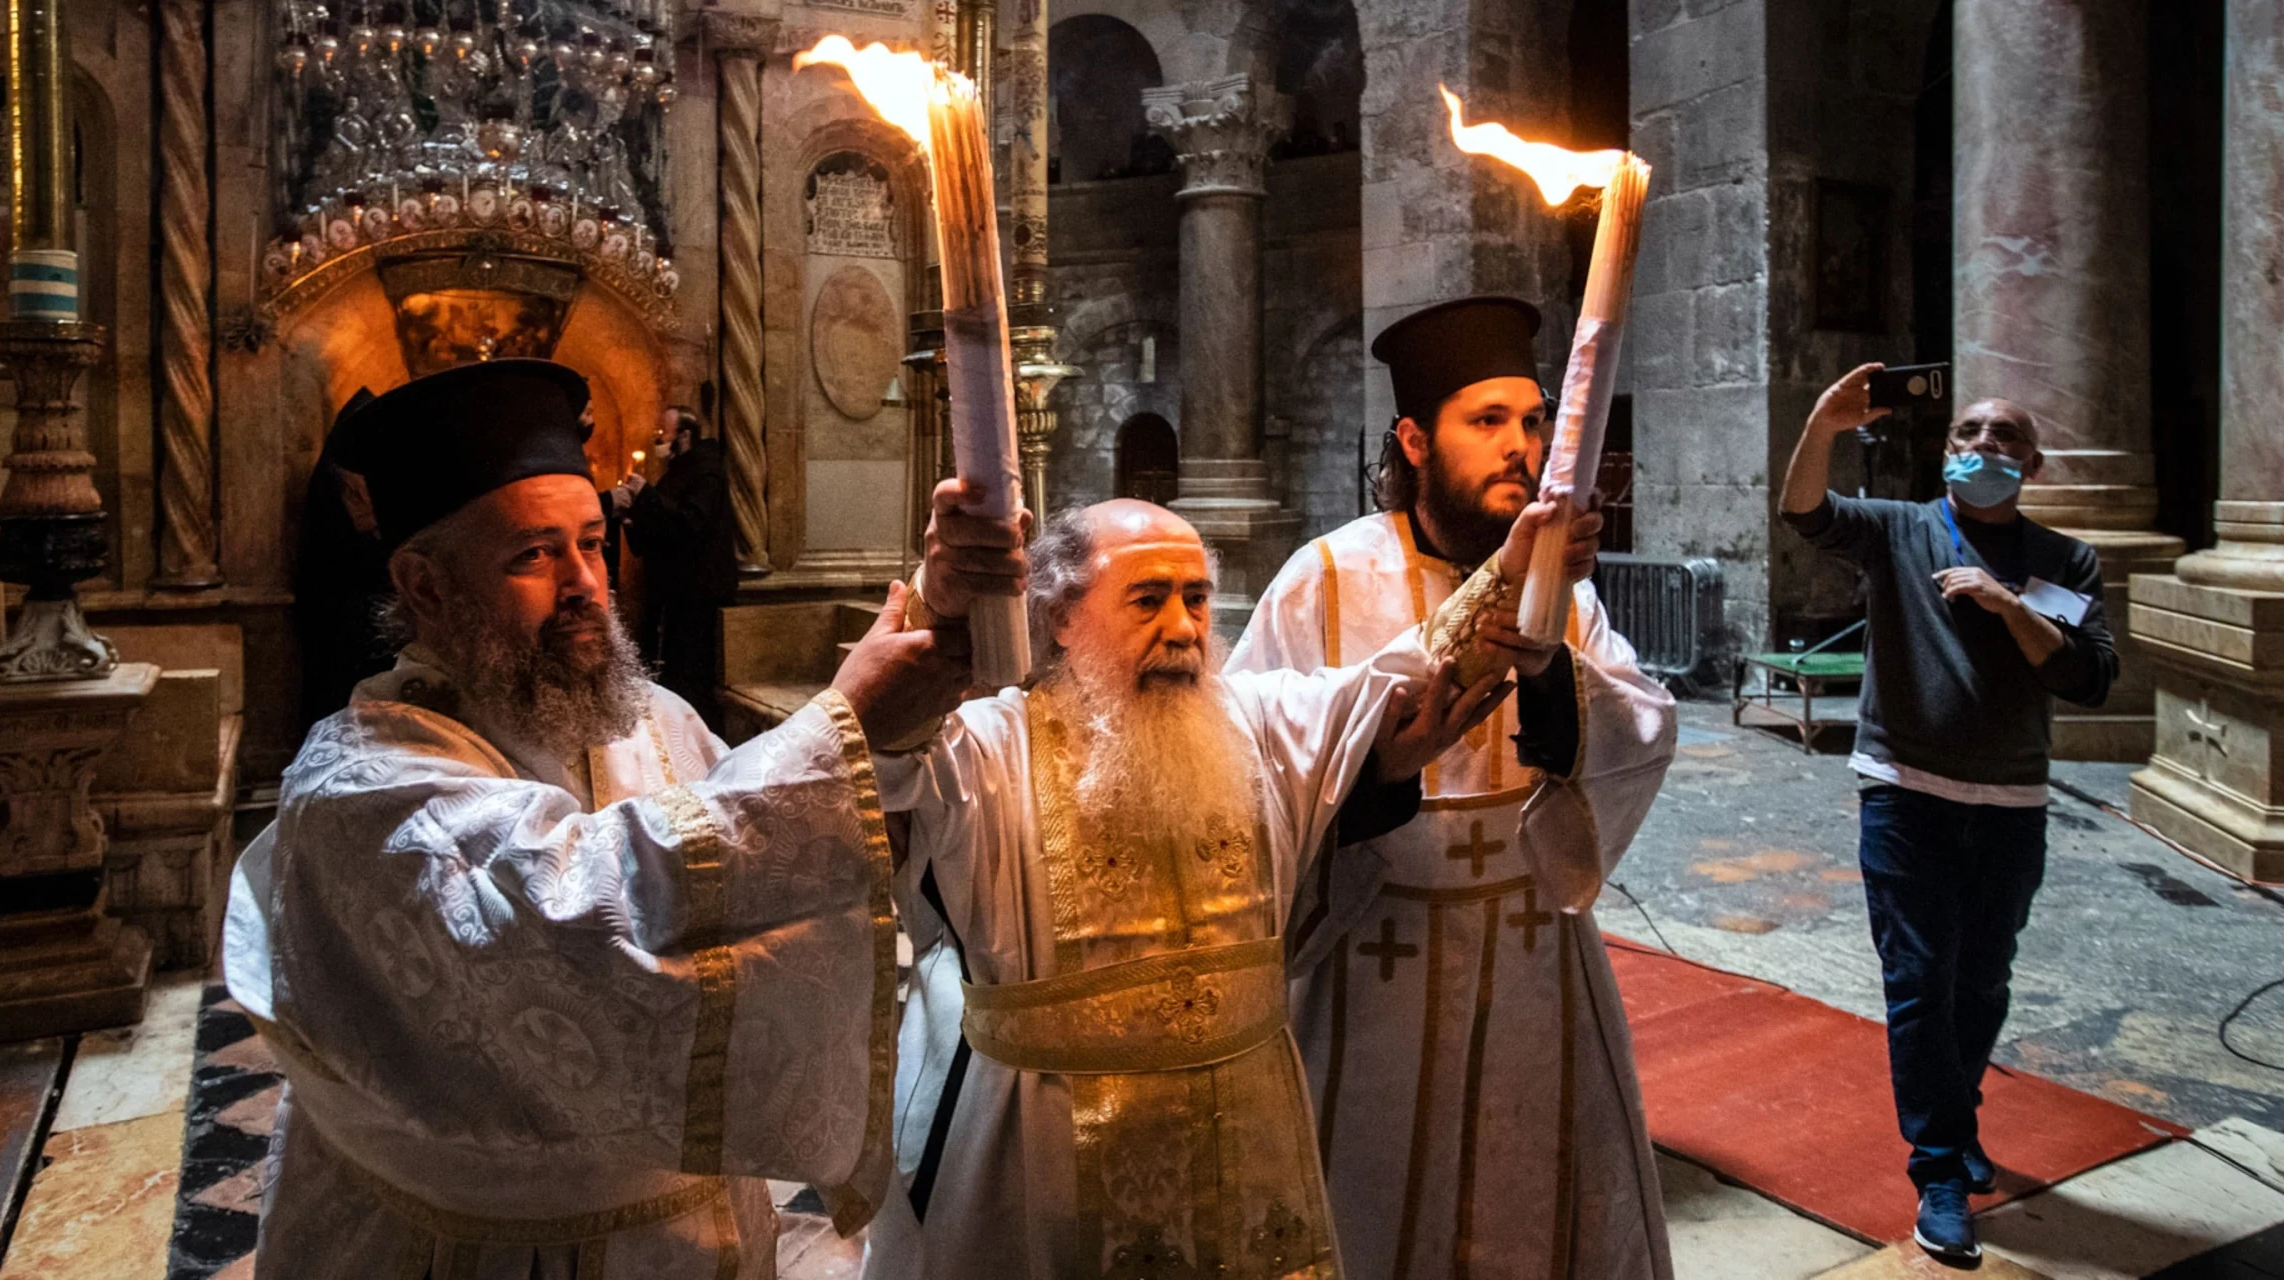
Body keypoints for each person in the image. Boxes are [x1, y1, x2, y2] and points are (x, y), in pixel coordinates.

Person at [222, 359, 1023, 1278]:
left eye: (594, 543)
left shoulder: (655, 724)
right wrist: (840, 726)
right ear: (425, 586)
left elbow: (802, 863)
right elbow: (564, 917)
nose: (583, 585)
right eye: (533, 554)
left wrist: (929, 613)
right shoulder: (356, 785)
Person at [865, 497, 1554, 1279]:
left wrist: (1517, 567)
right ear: (1059, 618)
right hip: (1044, 1154)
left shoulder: (1255, 725)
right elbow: (878, 753)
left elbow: (1410, 674)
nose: (1185, 627)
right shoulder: (994, 747)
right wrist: (938, 594)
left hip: (1246, 1140)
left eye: (1196, 598)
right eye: (1148, 599)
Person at [1230, 295, 1680, 1278]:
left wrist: (1552, 672)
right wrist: (1379, 771)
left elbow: (1636, 730)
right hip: (1371, 968)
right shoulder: (1324, 579)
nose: (1519, 446)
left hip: (1535, 972)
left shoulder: (1565, 588)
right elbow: (1247, 776)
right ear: (1413, 438)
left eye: (1531, 421)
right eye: (1486, 421)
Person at [1779, 365, 2118, 1264]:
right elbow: (1805, 512)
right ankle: (1938, 1169)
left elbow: (2088, 677)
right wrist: (1824, 421)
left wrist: (2010, 608)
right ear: (1946, 452)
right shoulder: (1901, 530)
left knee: (1983, 981)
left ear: (2033, 465)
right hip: (1906, 790)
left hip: (2011, 800)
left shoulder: (2064, 560)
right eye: (1969, 434)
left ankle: (1955, 1122)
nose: (1983, 447)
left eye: (2004, 438)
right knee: (1921, 981)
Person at [293, 388, 393, 728]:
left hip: (355, 593)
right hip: (344, 598)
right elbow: (363, 519)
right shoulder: (345, 469)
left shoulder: (346, 458)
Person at [629, 407, 735, 721]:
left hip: (697, 594)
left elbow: (690, 522)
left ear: (685, 436)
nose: (659, 439)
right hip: (675, 591)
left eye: (665, 433)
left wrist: (646, 495)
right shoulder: (678, 470)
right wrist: (631, 517)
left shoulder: (705, 471)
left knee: (690, 674)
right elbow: (663, 522)